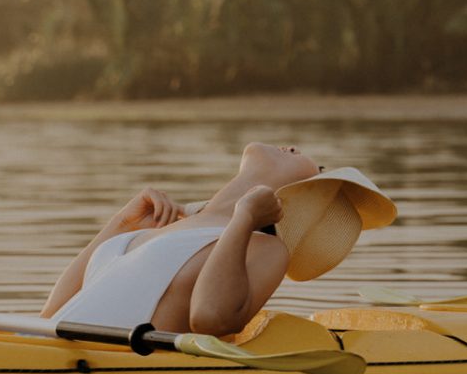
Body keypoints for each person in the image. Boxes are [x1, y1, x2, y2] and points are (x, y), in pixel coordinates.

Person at [40, 143, 396, 338]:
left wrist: (243, 219)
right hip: (45, 350)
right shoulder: (157, 228)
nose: (291, 145)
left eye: (302, 157)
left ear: (295, 196)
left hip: (95, 371)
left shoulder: (266, 248)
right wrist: (120, 223)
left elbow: (209, 319)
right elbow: (50, 317)